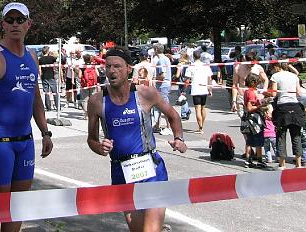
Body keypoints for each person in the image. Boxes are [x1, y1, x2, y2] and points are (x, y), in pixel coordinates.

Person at [0, 2, 53, 232]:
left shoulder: (32, 56)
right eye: (10, 20)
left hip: (25, 142)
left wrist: (45, 132)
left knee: (19, 206)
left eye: (20, 20)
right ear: (3, 24)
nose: (15, 24)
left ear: (28, 24)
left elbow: (35, 99)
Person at [87, 48, 187, 232]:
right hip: (121, 171)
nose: (111, 71)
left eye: (117, 66)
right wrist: (99, 146)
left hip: (151, 168)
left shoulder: (145, 94)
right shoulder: (96, 101)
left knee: (149, 230)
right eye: (108, 66)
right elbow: (91, 139)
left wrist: (178, 138)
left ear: (128, 69)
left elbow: (173, 116)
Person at [268, 61, 304, 169]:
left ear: (277, 67)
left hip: (282, 108)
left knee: (281, 136)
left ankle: (282, 164)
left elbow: (274, 93)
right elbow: (299, 93)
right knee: (296, 136)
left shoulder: (275, 76)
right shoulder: (294, 76)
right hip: (295, 107)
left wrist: (267, 92)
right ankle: (298, 164)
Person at [231, 49, 268, 116]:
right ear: (246, 60)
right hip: (242, 96)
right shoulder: (238, 68)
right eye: (251, 64)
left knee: (255, 118)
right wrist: (234, 101)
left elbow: (265, 80)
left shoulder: (258, 68)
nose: (252, 66)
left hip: (254, 96)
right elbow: (235, 84)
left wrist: (263, 91)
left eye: (253, 64)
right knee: (243, 118)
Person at [241, 73, 266, 168]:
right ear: (253, 82)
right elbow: (250, 108)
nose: (258, 84)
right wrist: (261, 106)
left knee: (249, 141)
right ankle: (259, 159)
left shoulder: (247, 91)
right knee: (258, 140)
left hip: (247, 119)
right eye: (257, 82)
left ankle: (248, 160)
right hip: (254, 119)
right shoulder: (251, 93)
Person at [186, 52, 214, 133]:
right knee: (203, 108)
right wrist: (210, 88)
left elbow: (187, 79)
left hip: (195, 89)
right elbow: (209, 78)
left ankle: (200, 127)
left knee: (197, 109)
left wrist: (184, 89)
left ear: (194, 57)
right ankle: (202, 125)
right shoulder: (205, 66)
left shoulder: (191, 66)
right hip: (204, 88)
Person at [38, 46, 59, 111]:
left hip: (44, 76)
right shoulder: (51, 58)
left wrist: (40, 75)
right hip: (51, 76)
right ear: (48, 51)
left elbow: (39, 69)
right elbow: (56, 62)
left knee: (46, 92)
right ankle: (57, 106)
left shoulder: (40, 59)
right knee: (54, 92)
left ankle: (48, 107)